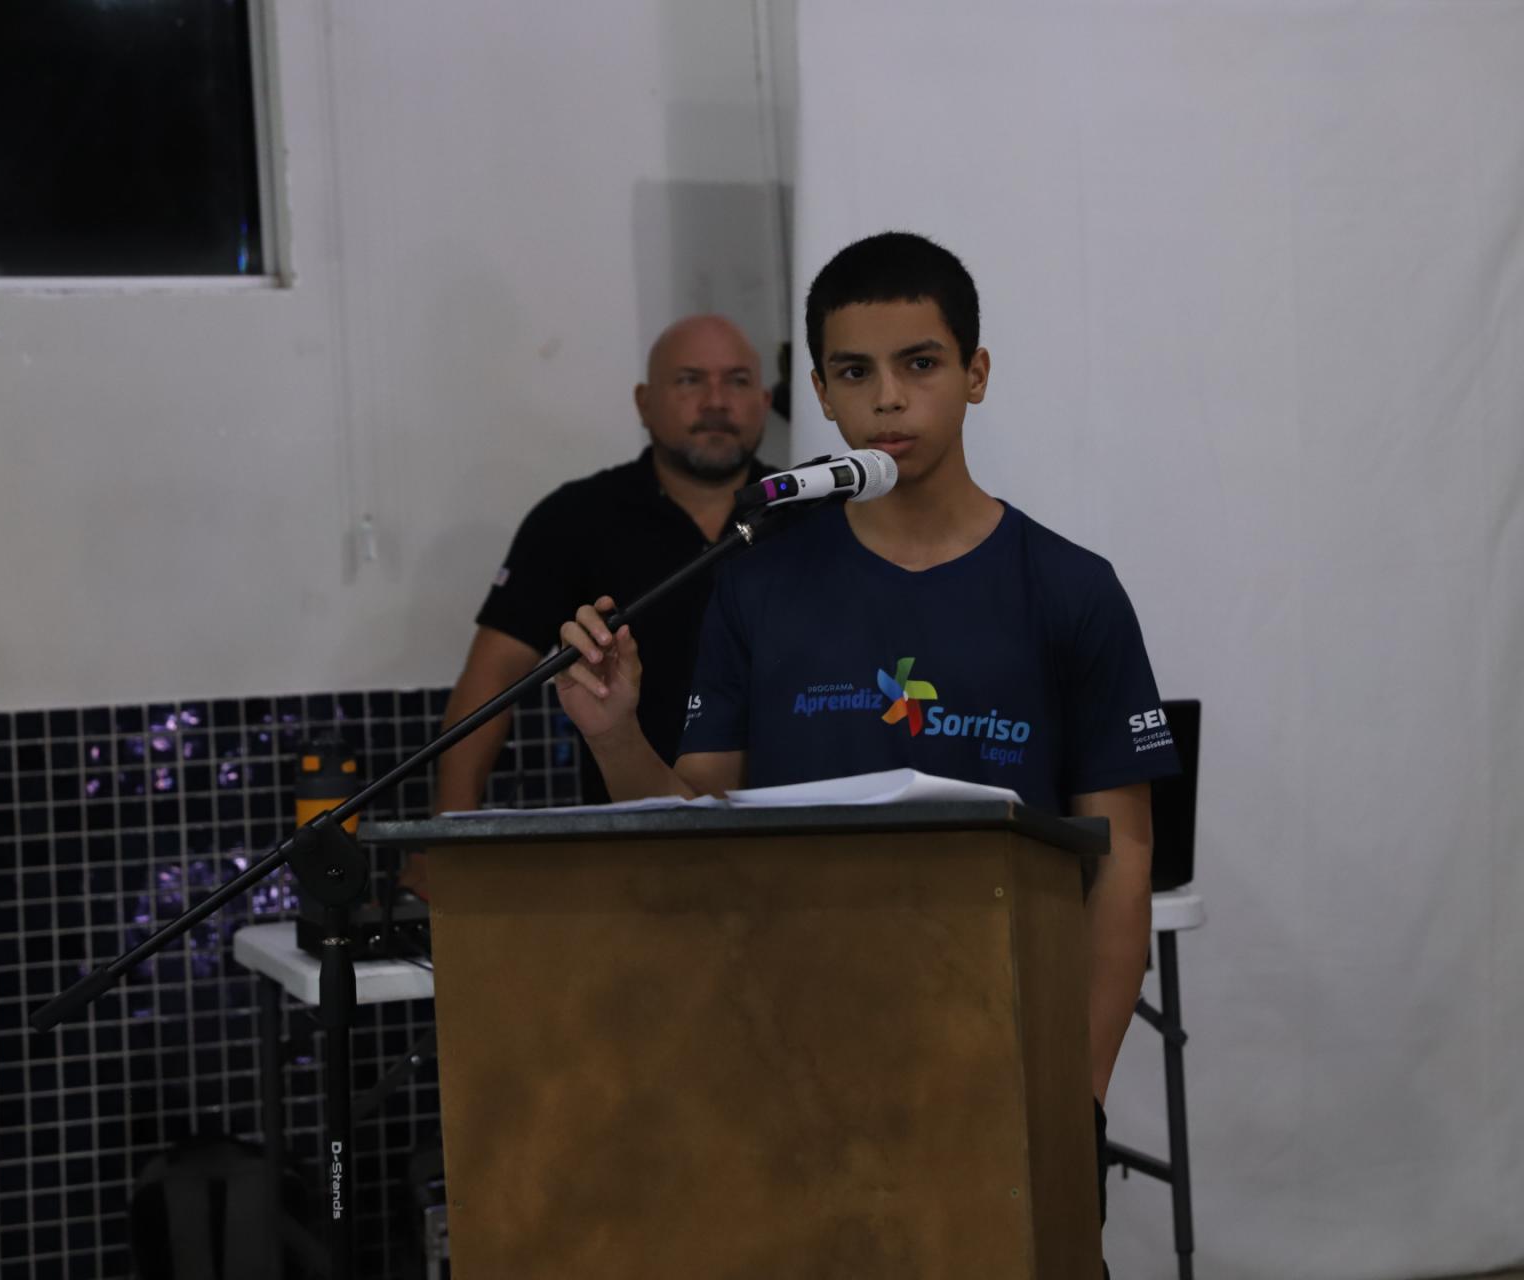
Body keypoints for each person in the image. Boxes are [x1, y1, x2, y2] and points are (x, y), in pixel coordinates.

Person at [554, 232, 1178, 1258]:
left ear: (976, 373)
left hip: (1005, 1063)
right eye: (854, 372)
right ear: (821, 394)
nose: (889, 399)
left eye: (920, 363)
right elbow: (693, 830)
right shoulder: (756, 584)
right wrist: (617, 733)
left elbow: (1124, 859)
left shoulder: (1071, 589)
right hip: (784, 1063)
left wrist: (1080, 1087)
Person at [402, 314, 775, 896]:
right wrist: (444, 837)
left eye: (738, 381)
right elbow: (494, 677)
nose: (716, 401)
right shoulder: (575, 518)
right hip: (627, 857)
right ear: (644, 402)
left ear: (765, 401)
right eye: (689, 380)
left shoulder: (808, 516)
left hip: (790, 847)